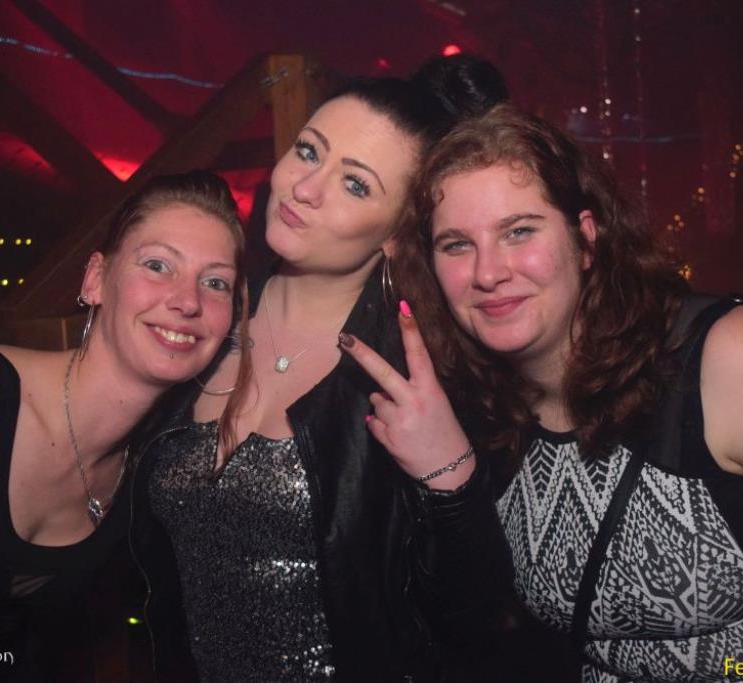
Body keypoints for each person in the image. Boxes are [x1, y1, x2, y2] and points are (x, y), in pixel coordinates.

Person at [340, 104, 743, 681]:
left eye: (519, 231)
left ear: (586, 240)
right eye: (456, 244)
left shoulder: (733, 359)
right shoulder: (474, 407)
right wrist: (447, 478)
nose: (488, 272)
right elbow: (467, 634)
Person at [128, 55, 511, 682]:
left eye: (356, 184)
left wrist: (451, 477)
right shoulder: (200, 318)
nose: (305, 187)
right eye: (309, 152)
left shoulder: (418, 377)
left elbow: (475, 616)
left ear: (396, 234)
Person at [0, 170, 247, 681]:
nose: (188, 301)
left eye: (215, 282)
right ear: (95, 279)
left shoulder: (148, 464)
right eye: (157, 265)